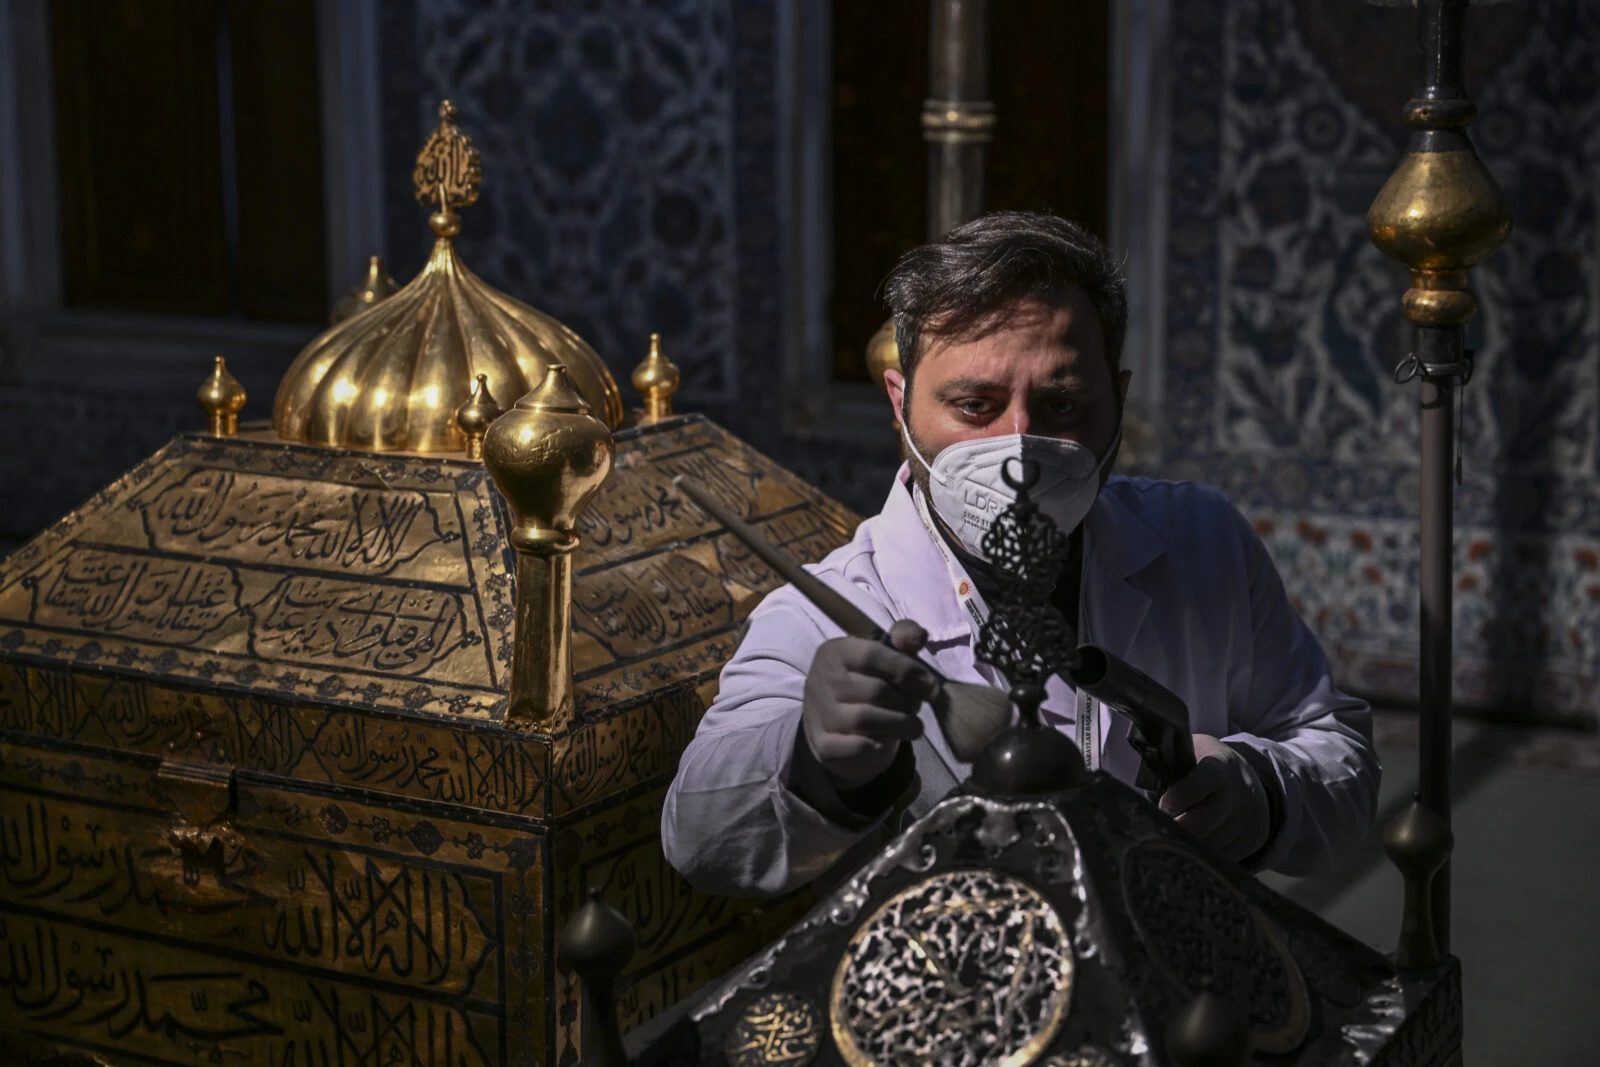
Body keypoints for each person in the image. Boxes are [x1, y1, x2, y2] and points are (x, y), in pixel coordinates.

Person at [662, 211, 1379, 897]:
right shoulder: (826, 613)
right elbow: (699, 838)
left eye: (1062, 405)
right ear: (900, 401)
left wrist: (1262, 792)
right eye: (975, 405)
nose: (1019, 448)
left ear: (1118, 399)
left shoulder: (1203, 543)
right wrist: (814, 762)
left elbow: (1337, 749)